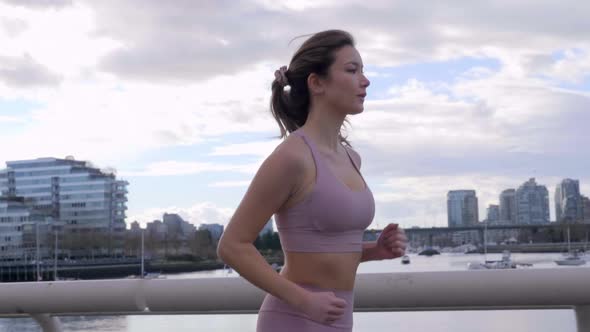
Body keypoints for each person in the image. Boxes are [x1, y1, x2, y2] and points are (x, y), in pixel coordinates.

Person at [217, 29, 408, 332]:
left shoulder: (351, 158)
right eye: (351, 70)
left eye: (363, 70)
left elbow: (324, 247)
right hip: (294, 320)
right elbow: (232, 245)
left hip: (337, 320)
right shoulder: (292, 157)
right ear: (317, 83)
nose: (365, 80)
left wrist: (375, 251)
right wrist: (303, 300)